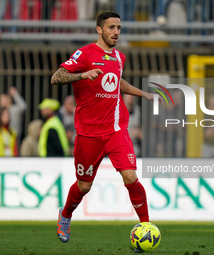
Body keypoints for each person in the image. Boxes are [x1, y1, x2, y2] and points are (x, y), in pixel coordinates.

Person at [50, 11, 159, 244]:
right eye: (111, 28)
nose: (116, 32)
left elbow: (116, 81)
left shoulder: (120, 57)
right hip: (88, 132)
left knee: (130, 176)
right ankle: (66, 214)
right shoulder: (85, 54)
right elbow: (56, 77)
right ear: (99, 30)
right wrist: (82, 75)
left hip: (115, 128)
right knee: (84, 185)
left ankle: (146, 226)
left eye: (119, 28)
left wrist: (143, 94)